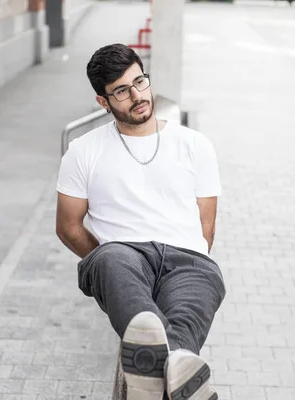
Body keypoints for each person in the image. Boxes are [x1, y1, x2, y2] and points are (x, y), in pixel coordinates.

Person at [55, 43, 225, 400]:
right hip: (124, 256)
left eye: (140, 82)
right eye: (121, 90)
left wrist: (189, 259)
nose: (137, 96)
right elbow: (68, 226)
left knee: (181, 336)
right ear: (103, 101)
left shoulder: (195, 145)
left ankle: (161, 370)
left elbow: (205, 226)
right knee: (112, 260)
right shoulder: (83, 151)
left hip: (189, 261)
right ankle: (173, 364)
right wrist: (107, 257)